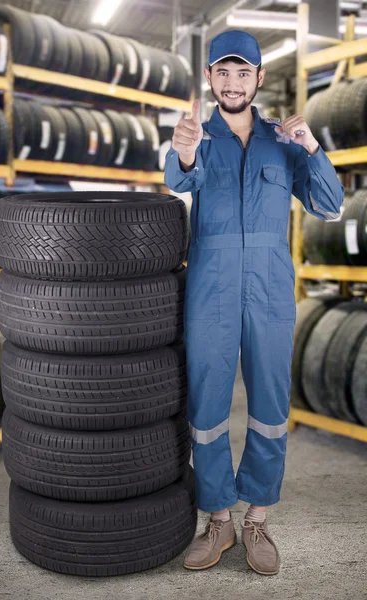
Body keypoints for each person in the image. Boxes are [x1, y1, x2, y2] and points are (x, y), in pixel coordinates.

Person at [164, 29, 344, 576]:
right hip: (212, 290)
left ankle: (257, 518)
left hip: (268, 290)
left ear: (260, 79)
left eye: (244, 72)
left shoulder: (282, 140)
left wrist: (312, 147)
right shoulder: (196, 136)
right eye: (223, 72)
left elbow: (331, 205)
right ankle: (218, 517)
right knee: (208, 406)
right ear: (211, 79)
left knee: (269, 407)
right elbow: (176, 183)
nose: (233, 82)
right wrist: (185, 150)